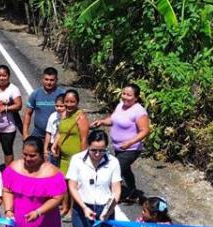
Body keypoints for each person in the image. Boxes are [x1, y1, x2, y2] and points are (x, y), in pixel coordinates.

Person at [91, 84, 150, 203]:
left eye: (129, 95)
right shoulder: (121, 105)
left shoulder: (139, 111)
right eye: (124, 93)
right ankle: (133, 192)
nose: (125, 97)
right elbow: (113, 119)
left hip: (131, 149)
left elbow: (145, 130)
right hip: (119, 147)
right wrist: (102, 122)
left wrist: (130, 142)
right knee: (125, 169)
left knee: (115, 170)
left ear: (136, 97)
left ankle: (107, 198)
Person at [52, 89, 89, 217]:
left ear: (77, 102)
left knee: (74, 184)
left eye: (72, 102)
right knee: (64, 183)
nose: (69, 104)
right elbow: (60, 132)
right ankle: (65, 207)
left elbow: (84, 138)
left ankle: (72, 210)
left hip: (76, 157)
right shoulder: (64, 115)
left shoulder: (81, 117)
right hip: (64, 157)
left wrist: (83, 157)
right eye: (66, 101)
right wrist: (55, 145)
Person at [0, 64, 23, 166]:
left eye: (4, 75)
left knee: (8, 150)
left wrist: (5, 109)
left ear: (9, 76)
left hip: (8, 127)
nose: (2, 78)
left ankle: (8, 174)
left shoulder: (13, 89)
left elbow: (19, 105)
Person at [24, 67, 66, 139]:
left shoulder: (63, 94)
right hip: (38, 135)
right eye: (46, 79)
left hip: (57, 136)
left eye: (52, 80)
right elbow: (28, 113)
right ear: (42, 79)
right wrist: (25, 134)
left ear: (56, 80)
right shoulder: (35, 94)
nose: (49, 82)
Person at [43, 94, 66, 166]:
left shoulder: (69, 118)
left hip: (63, 147)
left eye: (62, 106)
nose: (59, 108)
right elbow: (48, 133)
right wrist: (45, 149)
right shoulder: (53, 116)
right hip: (52, 146)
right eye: (57, 106)